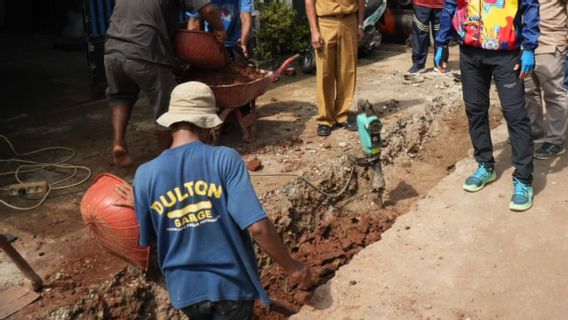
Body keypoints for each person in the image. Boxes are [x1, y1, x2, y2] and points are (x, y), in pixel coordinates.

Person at [115, 81, 313, 319]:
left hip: (186, 294)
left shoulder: (145, 175)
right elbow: (258, 227)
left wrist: (142, 205)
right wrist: (294, 268)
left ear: (172, 122)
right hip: (230, 287)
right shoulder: (224, 159)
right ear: (207, 123)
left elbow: (152, 238)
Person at [435, 0, 540, 211]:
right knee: (475, 110)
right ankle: (485, 165)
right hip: (470, 53)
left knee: (515, 114)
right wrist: (441, 42)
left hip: (506, 55)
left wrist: (529, 47)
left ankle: (523, 178)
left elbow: (530, 5)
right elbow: (450, 5)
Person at [104, 0, 227, 167]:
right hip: (146, 51)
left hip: (112, 51)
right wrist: (220, 29)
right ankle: (168, 161)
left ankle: (118, 143)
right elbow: (209, 9)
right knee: (166, 109)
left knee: (120, 97)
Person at [306, 0, 364, 137]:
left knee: (347, 71)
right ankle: (325, 119)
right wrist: (314, 30)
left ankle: (342, 115)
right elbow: (309, 2)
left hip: (349, 21)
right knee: (325, 73)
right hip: (325, 23)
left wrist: (360, 25)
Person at [524, 0, 568, 159]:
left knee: (554, 93)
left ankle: (556, 140)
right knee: (528, 90)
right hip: (525, 44)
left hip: (549, 41)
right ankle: (536, 130)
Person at [186, 0, 252, 60]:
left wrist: (243, 42)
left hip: (235, 44)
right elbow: (195, 20)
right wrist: (193, 49)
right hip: (212, 43)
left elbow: (245, 18)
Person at [408, 0, 449, 74]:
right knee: (419, 33)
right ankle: (418, 64)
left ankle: (440, 64)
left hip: (442, 4)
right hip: (421, 4)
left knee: (442, 34)